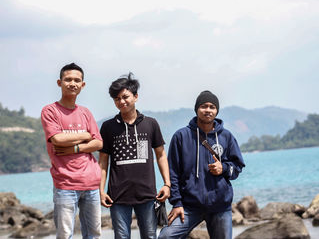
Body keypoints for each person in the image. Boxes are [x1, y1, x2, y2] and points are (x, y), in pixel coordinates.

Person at [158, 90, 245, 239]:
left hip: (220, 206)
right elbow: (173, 173)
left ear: (217, 111)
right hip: (189, 206)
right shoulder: (181, 136)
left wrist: (223, 168)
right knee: (166, 236)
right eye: (204, 106)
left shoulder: (226, 136)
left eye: (212, 107)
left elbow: (237, 167)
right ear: (197, 109)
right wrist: (177, 203)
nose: (208, 110)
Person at [99, 72, 170, 239]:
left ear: (136, 96)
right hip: (117, 196)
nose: (121, 102)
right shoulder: (108, 127)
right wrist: (101, 190)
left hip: (147, 194)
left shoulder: (150, 124)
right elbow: (103, 162)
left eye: (125, 97)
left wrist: (167, 184)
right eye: (117, 99)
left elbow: (160, 155)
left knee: (150, 236)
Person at [41, 63, 103, 239]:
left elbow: (98, 143)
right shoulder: (50, 111)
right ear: (59, 82)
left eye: (77, 80)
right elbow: (57, 140)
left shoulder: (85, 112)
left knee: (94, 233)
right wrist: (85, 135)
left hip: (91, 182)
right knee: (65, 234)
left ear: (82, 85)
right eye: (68, 79)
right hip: (65, 184)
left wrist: (75, 147)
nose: (72, 83)